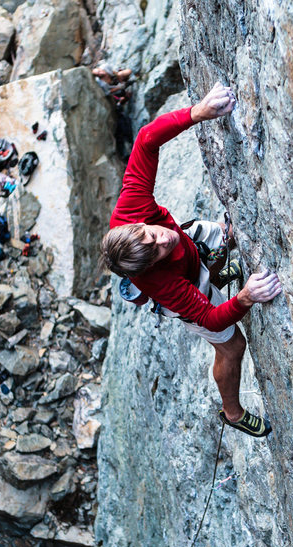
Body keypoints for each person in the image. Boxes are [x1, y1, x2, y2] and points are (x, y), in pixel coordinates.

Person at [99, 82, 282, 438]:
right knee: (232, 345)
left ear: (136, 225)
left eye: (151, 234)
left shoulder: (130, 211)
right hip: (187, 283)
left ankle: (216, 269)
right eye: (157, 251)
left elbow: (146, 140)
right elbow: (211, 319)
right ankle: (232, 412)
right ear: (150, 268)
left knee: (226, 235)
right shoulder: (161, 284)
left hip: (192, 242)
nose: (161, 239)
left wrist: (197, 112)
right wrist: (245, 297)